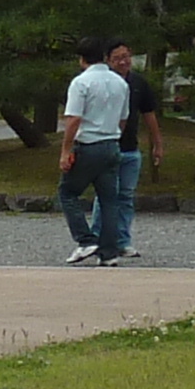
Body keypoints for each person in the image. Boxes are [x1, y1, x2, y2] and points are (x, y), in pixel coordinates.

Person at [55, 39, 134, 264]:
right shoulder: (120, 83)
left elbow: (74, 119)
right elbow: (123, 118)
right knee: (109, 199)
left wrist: (66, 150)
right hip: (111, 143)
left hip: (88, 144)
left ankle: (85, 239)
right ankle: (109, 253)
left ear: (82, 59)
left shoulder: (81, 82)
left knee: (68, 192)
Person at [108, 41, 168, 260]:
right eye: (117, 58)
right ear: (108, 61)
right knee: (106, 195)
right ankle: (98, 239)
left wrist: (157, 144)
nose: (123, 61)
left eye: (126, 56)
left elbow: (149, 114)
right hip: (107, 146)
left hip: (130, 147)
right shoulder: (105, 83)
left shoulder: (138, 83)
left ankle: (123, 240)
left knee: (126, 195)